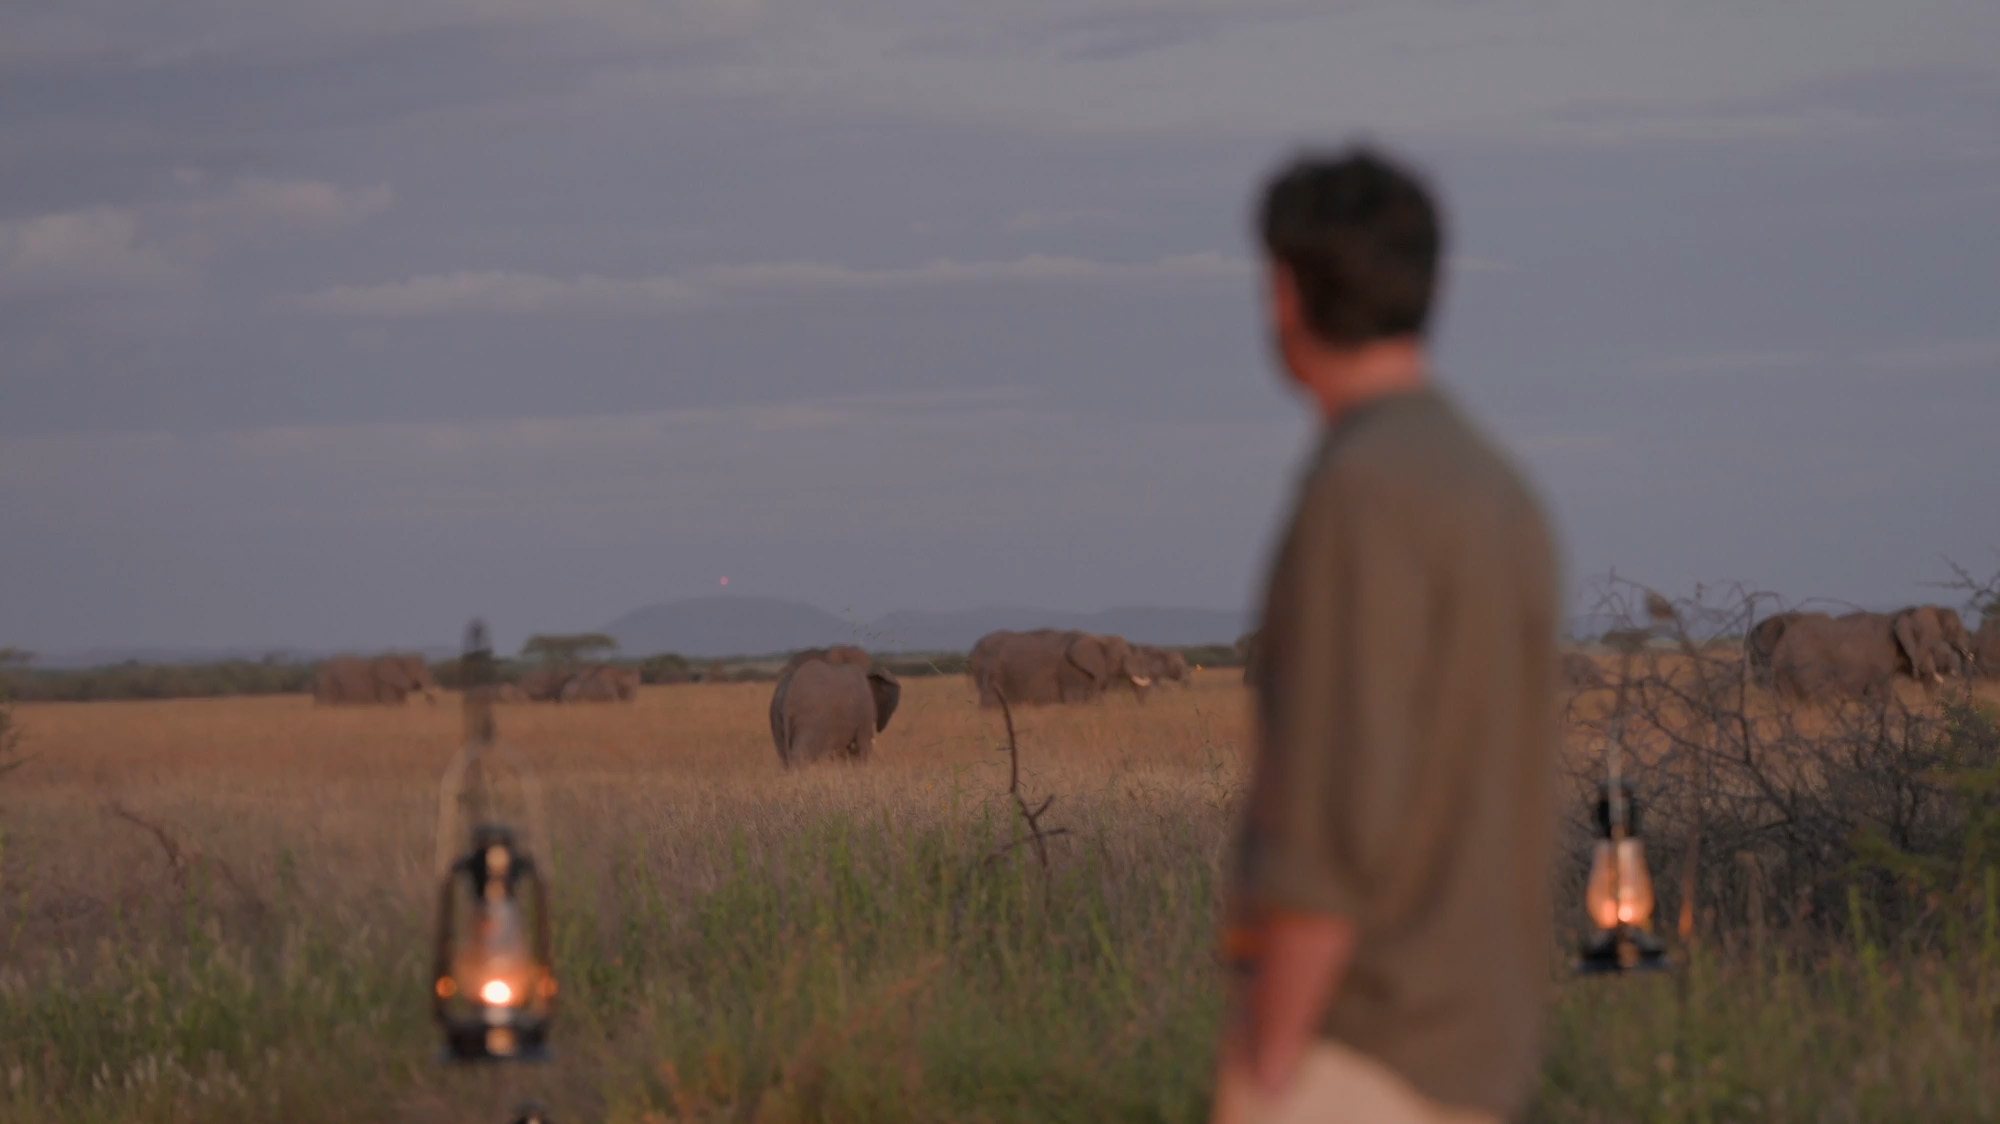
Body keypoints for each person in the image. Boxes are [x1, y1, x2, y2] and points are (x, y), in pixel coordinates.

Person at [1210, 146, 1562, 1124]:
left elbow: (1338, 815)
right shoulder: (1497, 488)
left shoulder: (1360, 493)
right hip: (1476, 1042)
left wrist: (1269, 1055)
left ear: (1285, 294)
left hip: (1357, 1046)